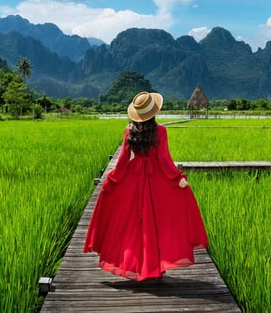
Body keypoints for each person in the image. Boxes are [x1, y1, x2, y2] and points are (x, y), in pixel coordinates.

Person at [83, 91, 209, 281]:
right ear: (153, 112)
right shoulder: (161, 132)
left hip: (133, 178)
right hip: (155, 178)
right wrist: (177, 178)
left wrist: (112, 180)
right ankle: (154, 266)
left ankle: (139, 265)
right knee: (158, 222)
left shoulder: (129, 131)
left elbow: (123, 162)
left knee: (133, 224)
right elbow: (164, 159)